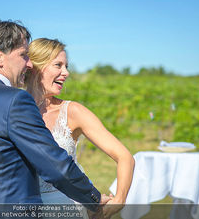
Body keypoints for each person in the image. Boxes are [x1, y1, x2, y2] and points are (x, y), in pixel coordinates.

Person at [0, 19, 111, 218]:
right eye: (23, 55)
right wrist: (94, 198)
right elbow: (54, 165)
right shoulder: (15, 99)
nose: (29, 64)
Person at [25, 38, 135, 218]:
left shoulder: (73, 111)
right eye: (58, 65)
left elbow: (125, 157)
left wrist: (119, 199)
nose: (66, 72)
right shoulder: (11, 108)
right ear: (36, 66)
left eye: (66, 66)